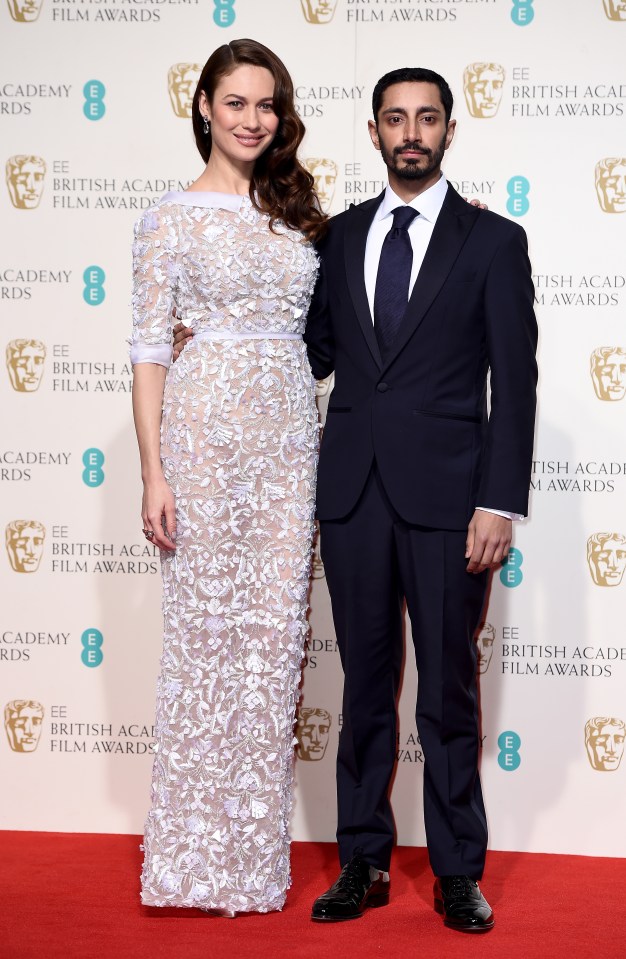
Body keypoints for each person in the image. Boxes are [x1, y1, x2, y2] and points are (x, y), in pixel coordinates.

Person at [302, 67, 537, 932]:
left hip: (451, 502)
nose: (411, 132)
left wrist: (499, 502)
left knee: (446, 693)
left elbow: (515, 387)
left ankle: (456, 870)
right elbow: (313, 354)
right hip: (354, 493)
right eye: (395, 119)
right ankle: (362, 857)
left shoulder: (492, 243)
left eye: (426, 118)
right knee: (364, 685)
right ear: (372, 132)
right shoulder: (337, 236)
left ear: (448, 130)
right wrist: (216, 334)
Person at [129, 38, 325, 915]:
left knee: (271, 645)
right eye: (235, 101)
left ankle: (250, 855)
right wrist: (153, 473)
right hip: (203, 441)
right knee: (203, 645)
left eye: (266, 104)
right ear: (204, 105)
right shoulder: (168, 217)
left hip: (288, 442)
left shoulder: (297, 210)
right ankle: (188, 858)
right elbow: (146, 353)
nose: (252, 118)